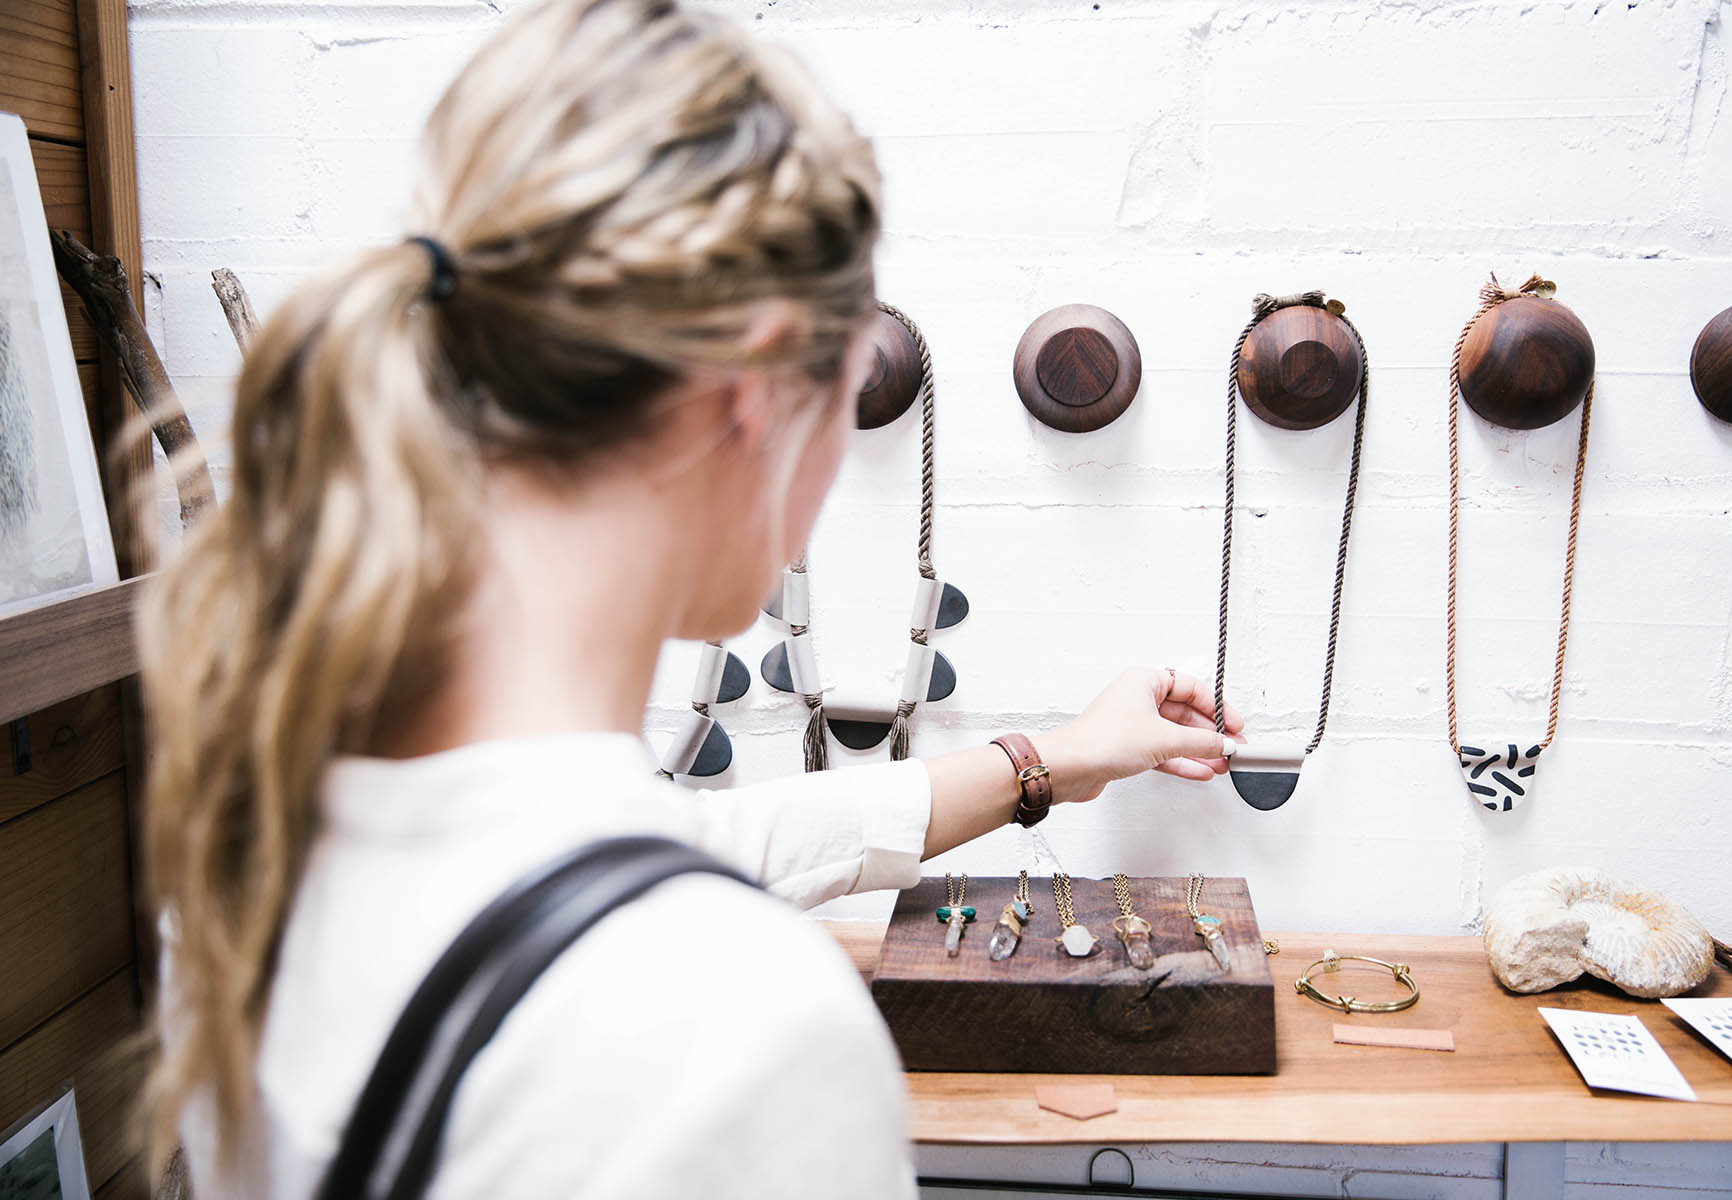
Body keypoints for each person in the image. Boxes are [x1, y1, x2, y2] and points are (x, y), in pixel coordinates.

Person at [137, 0, 1242, 1195]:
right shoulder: (738, 1025)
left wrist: (1063, 756)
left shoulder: (266, 827)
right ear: (751, 397)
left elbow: (720, 840)